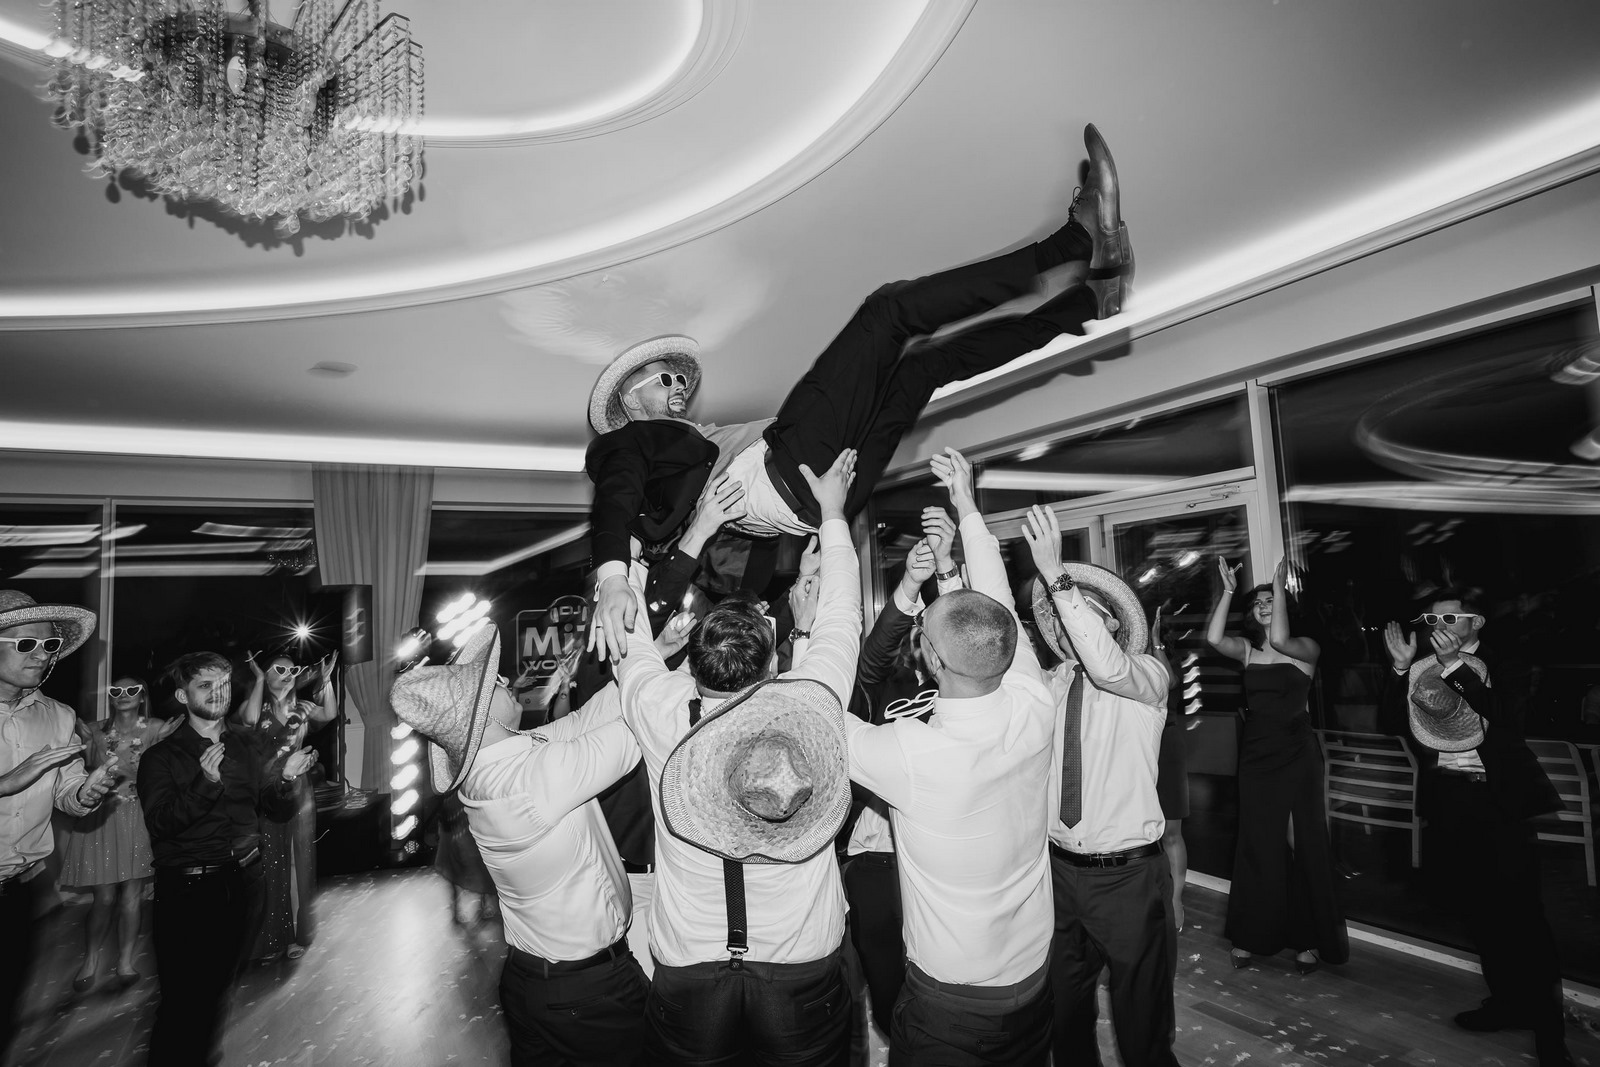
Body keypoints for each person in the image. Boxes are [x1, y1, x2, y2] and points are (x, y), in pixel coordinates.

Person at [586, 125, 1135, 664]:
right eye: (665, 380)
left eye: (682, 380)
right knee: (886, 312)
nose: (681, 388)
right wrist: (612, 577)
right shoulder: (626, 447)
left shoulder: (697, 447)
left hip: (823, 496)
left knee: (925, 367)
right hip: (792, 471)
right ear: (630, 402)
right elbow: (616, 492)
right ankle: (1073, 243)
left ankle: (1090, 300)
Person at [613, 448, 862, 1066]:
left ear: (693, 663)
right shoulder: (814, 702)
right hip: (800, 960)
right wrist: (833, 515)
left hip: (690, 964)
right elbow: (843, 618)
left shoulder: (659, 708)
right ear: (773, 661)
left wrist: (634, 567)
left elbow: (630, 638)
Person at [842, 453, 1057, 1066]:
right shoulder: (1034, 700)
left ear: (932, 663)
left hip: (951, 1009)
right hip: (1035, 981)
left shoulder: (912, 752)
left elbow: (821, 706)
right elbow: (993, 606)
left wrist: (834, 531)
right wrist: (966, 506)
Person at [390, 625, 650, 1067]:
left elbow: (581, 723)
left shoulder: (492, 770)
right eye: (493, 683)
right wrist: (652, 667)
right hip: (589, 993)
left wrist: (653, 652)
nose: (507, 680)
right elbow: (635, 729)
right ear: (482, 717)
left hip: (532, 983)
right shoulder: (533, 779)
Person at [1382, 589, 1571, 1067]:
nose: (1438, 626)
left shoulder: (1509, 665)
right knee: (1479, 911)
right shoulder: (1423, 668)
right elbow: (1391, 723)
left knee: (1524, 919)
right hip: (1451, 802)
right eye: (1432, 619)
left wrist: (1454, 667)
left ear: (1477, 622)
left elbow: (1505, 716)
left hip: (1499, 805)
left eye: (1449, 618)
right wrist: (1401, 669)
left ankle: (1550, 1034)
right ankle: (1506, 1003)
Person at [1022, 505, 1179, 1067]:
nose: (1069, 624)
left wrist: (1056, 574)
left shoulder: (1146, 675)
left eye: (1083, 613)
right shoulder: (1051, 683)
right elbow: (996, 652)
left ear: (1111, 625)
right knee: (1063, 1013)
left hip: (1128, 878)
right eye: (1063, 616)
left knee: (1142, 1019)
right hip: (1058, 873)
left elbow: (1108, 668)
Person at [138, 651, 318, 1067]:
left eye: (222, 683)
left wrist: (287, 777)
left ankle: (203, 1057)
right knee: (183, 1001)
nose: (217, 692)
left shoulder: (248, 744)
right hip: (189, 890)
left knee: (220, 990)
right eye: (205, 685)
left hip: (245, 882)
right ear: (183, 696)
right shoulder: (161, 757)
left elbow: (274, 810)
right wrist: (206, 782)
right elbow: (162, 824)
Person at [842, 511, 963, 1043]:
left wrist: (948, 567)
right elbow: (871, 660)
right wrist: (911, 585)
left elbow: (975, 632)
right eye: (917, 628)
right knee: (885, 975)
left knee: (941, 974)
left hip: (940, 855)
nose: (922, 637)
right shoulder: (879, 688)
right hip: (877, 854)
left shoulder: (964, 688)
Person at [1205, 557, 1348, 974]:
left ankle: (1308, 938)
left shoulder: (1305, 647)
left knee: (1302, 842)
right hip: (1256, 755)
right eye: (1258, 602)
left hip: (1297, 754)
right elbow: (1214, 638)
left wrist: (1279, 588)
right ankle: (1251, 935)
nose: (1264, 605)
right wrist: (1228, 591)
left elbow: (1282, 640)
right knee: (1257, 842)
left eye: (1271, 600)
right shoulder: (1248, 651)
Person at [0, 590, 118, 1060]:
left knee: (5, 1011)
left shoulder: (60, 716)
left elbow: (66, 791)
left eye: (49, 645)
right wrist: (6, 783)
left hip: (19, 891)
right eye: (25, 644)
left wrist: (85, 793)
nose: (41, 655)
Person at [59, 674, 179, 992]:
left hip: (137, 815)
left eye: (131, 690)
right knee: (104, 897)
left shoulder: (155, 728)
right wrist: (85, 744)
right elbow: (85, 771)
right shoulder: (96, 730)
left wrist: (165, 742)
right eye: (116, 690)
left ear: (142, 696)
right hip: (103, 815)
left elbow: (161, 771)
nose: (123, 694)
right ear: (111, 697)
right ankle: (91, 959)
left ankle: (125, 961)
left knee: (131, 897)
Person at [239, 650, 338, 962]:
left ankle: (295, 935)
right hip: (266, 789)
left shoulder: (302, 708)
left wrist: (326, 681)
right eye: (279, 669)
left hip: (298, 789)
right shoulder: (256, 705)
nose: (287, 675)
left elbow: (330, 714)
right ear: (266, 672)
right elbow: (249, 720)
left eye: (293, 671)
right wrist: (258, 680)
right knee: (271, 863)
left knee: (298, 862)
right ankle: (271, 937)